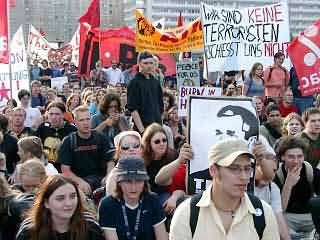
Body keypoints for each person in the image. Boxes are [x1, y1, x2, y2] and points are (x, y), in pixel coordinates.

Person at [169, 138, 280, 239]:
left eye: (247, 169)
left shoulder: (264, 213)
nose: (244, 177)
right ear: (213, 170)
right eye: (234, 169)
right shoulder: (186, 214)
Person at [16, 175, 105, 240]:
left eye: (73, 196)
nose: (68, 203)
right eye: (60, 198)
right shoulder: (29, 231)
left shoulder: (90, 228)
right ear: (46, 203)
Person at [98, 157, 168, 240]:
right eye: (128, 181)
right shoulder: (107, 205)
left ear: (144, 182)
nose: (133, 187)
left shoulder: (153, 200)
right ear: (119, 182)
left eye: (138, 181)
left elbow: (162, 237)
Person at [58, 106, 114, 194]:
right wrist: (79, 181)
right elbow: (65, 170)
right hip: (80, 183)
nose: (85, 123)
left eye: (88, 119)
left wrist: (109, 176)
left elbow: (110, 161)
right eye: (81, 120)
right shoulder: (69, 141)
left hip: (101, 180)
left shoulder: (101, 137)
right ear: (75, 122)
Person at [274, 136, 320, 240]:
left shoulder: (310, 171)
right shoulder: (277, 175)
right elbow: (280, 209)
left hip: (310, 216)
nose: (296, 161)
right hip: (288, 216)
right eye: (291, 157)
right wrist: (288, 184)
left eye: (299, 156)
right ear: (282, 157)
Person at [253, 141, 291, 240]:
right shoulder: (240, 186)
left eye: (274, 171)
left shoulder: (273, 188)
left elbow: (278, 218)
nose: (272, 176)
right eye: (264, 169)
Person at [127, 51, 164, 134]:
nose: (149, 66)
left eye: (151, 63)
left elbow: (161, 106)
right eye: (145, 63)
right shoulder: (134, 83)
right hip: (143, 129)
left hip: (157, 127)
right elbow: (133, 109)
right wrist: (142, 131)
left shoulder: (155, 82)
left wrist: (160, 126)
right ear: (139, 63)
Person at [105, 130, 143, 196]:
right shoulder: (115, 177)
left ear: (141, 149)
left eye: (136, 146)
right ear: (119, 152)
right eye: (125, 147)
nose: (131, 149)